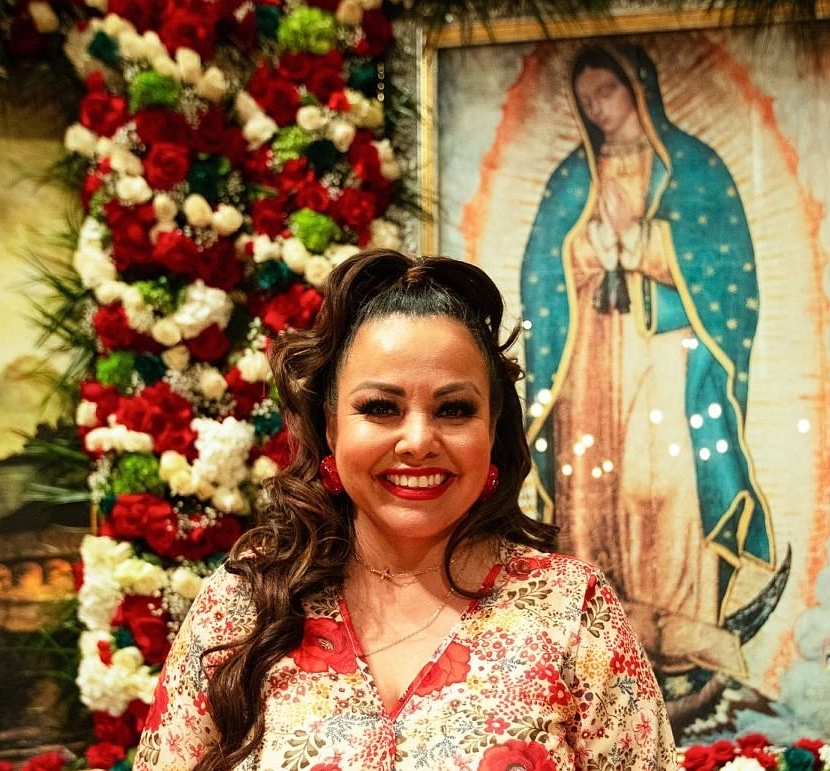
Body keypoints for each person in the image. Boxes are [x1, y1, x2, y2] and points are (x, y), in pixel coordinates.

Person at [135, 249, 678, 770]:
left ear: (491, 430)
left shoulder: (570, 610)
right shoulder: (247, 601)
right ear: (331, 427)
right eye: (380, 408)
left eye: (454, 409)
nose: (418, 440)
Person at [520, 44, 776, 707]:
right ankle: (593, 641)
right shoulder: (575, 177)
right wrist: (584, 248)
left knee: (659, 488)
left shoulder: (691, 169)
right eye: (587, 100)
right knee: (591, 495)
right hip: (590, 358)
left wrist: (645, 245)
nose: (597, 109)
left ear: (639, 87)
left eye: (607, 92)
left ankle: (682, 637)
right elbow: (544, 272)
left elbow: (727, 270)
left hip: (666, 354)